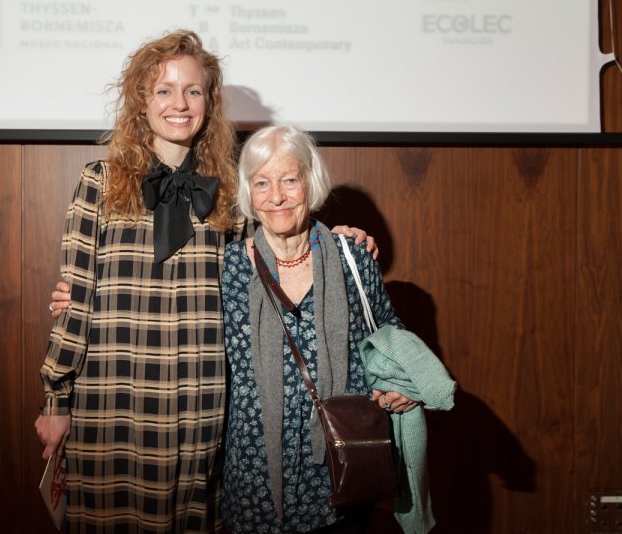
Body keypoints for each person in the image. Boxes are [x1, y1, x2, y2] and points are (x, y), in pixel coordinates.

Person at [35, 30, 376, 533]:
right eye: (164, 90)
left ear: (209, 102)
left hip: (203, 407)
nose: (179, 103)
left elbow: (281, 243)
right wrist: (55, 399)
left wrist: (335, 239)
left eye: (193, 91)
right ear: (141, 102)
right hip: (115, 403)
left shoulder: (228, 194)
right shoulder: (99, 182)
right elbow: (76, 300)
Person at [218, 125, 417, 533]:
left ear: (311, 182)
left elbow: (389, 333)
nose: (276, 196)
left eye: (290, 180)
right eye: (262, 183)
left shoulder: (353, 258)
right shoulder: (227, 267)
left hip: (338, 470)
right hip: (254, 476)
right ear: (248, 192)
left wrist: (403, 383)